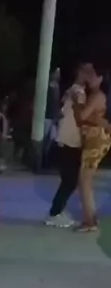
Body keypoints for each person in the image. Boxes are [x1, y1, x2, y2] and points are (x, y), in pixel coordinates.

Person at [44, 63, 92, 228]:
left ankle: (58, 210)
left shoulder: (72, 91)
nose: (90, 75)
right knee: (70, 181)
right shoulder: (77, 92)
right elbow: (81, 117)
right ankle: (54, 213)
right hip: (70, 141)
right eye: (87, 72)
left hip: (67, 139)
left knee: (69, 180)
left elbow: (62, 113)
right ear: (80, 73)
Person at [73, 64, 111, 232]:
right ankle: (90, 218)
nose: (89, 78)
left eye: (92, 75)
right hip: (97, 138)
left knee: (85, 180)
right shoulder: (98, 95)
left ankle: (90, 221)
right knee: (85, 180)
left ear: (100, 79)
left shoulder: (97, 96)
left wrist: (76, 103)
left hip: (96, 140)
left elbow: (82, 116)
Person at [43, 67, 61, 165]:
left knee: (51, 139)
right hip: (47, 116)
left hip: (53, 116)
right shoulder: (47, 86)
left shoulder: (56, 86)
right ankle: (42, 159)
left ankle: (46, 159)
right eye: (56, 72)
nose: (58, 75)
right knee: (45, 137)